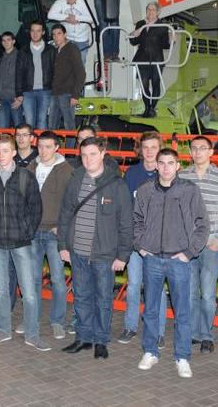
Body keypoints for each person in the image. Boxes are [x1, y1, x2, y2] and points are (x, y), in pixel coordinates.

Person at [134, 148, 209, 378]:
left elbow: (202, 225)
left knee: (182, 312)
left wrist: (189, 252)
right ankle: (150, 351)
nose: (166, 167)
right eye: (162, 163)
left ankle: (183, 356)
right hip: (153, 259)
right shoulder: (146, 191)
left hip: (179, 261)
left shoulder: (189, 191)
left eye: (170, 163)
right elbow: (135, 219)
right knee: (151, 310)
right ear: (155, 165)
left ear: (178, 166)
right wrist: (141, 246)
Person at [58, 136, 132, 360]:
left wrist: (123, 256)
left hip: (104, 255)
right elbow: (65, 214)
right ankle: (83, 338)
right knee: (81, 296)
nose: (88, 159)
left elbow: (126, 223)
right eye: (84, 155)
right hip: (77, 251)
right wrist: (63, 245)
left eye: (92, 154)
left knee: (102, 299)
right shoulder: (75, 179)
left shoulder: (117, 184)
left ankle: (101, 340)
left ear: (102, 154)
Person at [0, 135, 45, 351]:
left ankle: (32, 333)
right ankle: (3, 330)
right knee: (0, 289)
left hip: (21, 242)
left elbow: (36, 209)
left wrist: (26, 232)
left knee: (29, 291)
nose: (1, 155)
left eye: (6, 150)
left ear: (14, 152)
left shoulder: (26, 177)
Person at [180, 136, 218, 354]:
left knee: (208, 294)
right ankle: (193, 333)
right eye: (194, 148)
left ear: (211, 152)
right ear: (190, 152)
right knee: (190, 292)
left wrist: (217, 239)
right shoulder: (182, 176)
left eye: (203, 148)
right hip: (188, 245)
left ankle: (206, 335)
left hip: (211, 244)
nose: (198, 152)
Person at [118, 131, 168, 346]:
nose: (149, 152)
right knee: (133, 284)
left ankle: (158, 331)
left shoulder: (167, 173)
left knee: (157, 287)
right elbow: (126, 206)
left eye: (153, 148)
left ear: (160, 149)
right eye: (145, 147)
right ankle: (130, 327)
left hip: (159, 242)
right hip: (136, 240)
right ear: (140, 150)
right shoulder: (132, 173)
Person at [28, 131, 74, 340]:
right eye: (40, 146)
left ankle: (57, 321)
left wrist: (61, 227)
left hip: (54, 233)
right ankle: (32, 319)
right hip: (34, 231)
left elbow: (71, 204)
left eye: (48, 147)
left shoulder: (66, 171)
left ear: (57, 147)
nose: (43, 151)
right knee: (34, 279)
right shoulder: (31, 167)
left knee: (57, 280)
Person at [130, 2, 171, 118]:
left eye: (152, 10)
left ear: (158, 12)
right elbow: (133, 42)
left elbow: (166, 45)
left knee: (156, 83)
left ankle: (152, 108)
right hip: (142, 59)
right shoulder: (141, 23)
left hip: (157, 59)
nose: (150, 12)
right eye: (148, 9)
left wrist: (172, 40)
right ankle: (148, 108)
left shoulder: (162, 26)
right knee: (144, 85)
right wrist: (134, 34)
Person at [15, 21, 54, 130]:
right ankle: (31, 147)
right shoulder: (23, 50)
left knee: (42, 120)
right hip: (28, 92)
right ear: (29, 32)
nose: (35, 33)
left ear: (43, 32)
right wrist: (19, 93)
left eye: (38, 31)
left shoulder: (50, 50)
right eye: (33, 30)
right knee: (29, 122)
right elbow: (19, 73)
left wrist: (54, 89)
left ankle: (42, 146)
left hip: (45, 91)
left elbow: (55, 71)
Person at [49, 24, 85, 135]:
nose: (56, 37)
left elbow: (81, 73)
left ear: (65, 34)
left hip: (68, 93)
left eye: (59, 34)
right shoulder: (55, 50)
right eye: (54, 35)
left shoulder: (72, 49)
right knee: (52, 125)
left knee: (69, 125)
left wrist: (75, 95)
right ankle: (52, 150)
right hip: (55, 93)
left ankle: (70, 152)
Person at [47, 0, 94, 66]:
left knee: (79, 65)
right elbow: (50, 15)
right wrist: (66, 17)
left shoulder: (84, 2)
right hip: (67, 39)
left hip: (81, 40)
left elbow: (92, 19)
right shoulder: (61, 1)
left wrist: (76, 18)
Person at [0, 32, 24, 129]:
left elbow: (24, 77)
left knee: (18, 128)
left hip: (15, 98)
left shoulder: (20, 56)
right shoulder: (0, 58)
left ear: (13, 41)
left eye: (8, 40)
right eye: (4, 40)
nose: (6, 42)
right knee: (2, 128)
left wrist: (21, 97)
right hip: (2, 98)